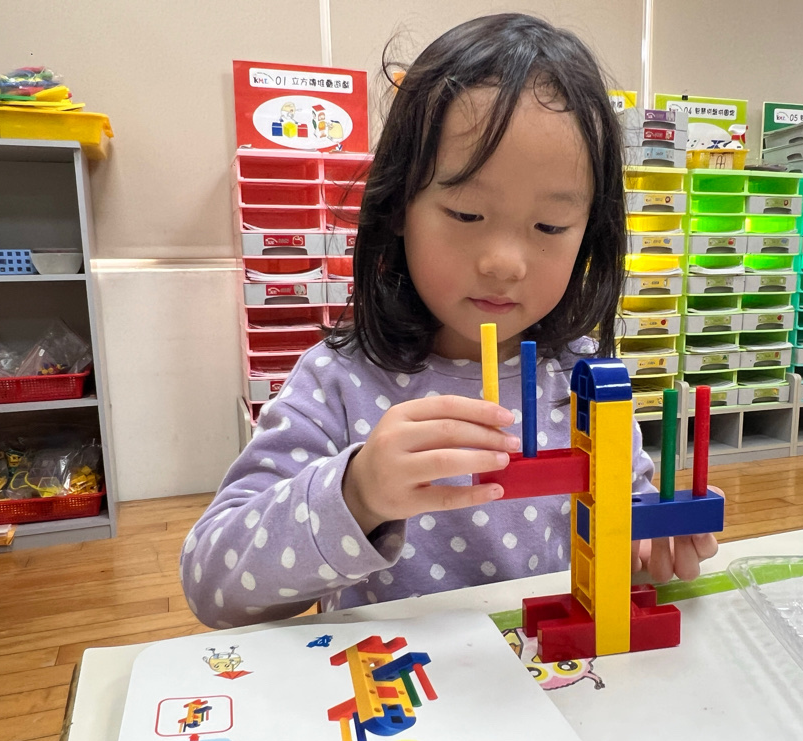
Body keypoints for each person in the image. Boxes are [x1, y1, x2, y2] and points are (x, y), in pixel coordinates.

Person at [180, 13, 718, 629]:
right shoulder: (338, 382)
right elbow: (213, 587)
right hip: (396, 680)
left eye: (549, 226)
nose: (504, 263)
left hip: (551, 675)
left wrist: (653, 545)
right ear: (399, 205)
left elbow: (632, 521)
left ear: (588, 234)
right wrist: (356, 493)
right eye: (466, 214)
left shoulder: (586, 377)